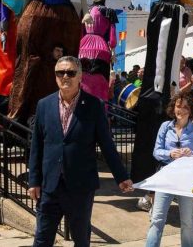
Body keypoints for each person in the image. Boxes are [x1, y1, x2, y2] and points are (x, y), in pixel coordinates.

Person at [28, 56, 134, 247]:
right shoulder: (44, 105)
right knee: (42, 238)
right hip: (50, 186)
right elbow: (37, 146)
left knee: (81, 238)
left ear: (80, 77)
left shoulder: (94, 105)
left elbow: (107, 144)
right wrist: (34, 181)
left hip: (80, 187)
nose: (65, 76)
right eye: (60, 72)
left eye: (71, 72)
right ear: (55, 76)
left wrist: (121, 176)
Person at [3, 0, 90, 122]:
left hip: (60, 14)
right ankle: (23, 115)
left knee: (60, 64)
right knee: (31, 61)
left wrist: (87, 11)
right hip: (46, 10)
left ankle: (57, 116)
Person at [146, 92, 193, 247]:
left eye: (186, 107)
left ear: (191, 110)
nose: (181, 110)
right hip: (166, 176)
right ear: (173, 108)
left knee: (187, 221)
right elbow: (156, 152)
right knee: (157, 219)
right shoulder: (165, 127)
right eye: (178, 106)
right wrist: (170, 154)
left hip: (186, 179)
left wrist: (191, 154)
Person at [78, 0, 118, 102]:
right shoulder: (85, 11)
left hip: (94, 47)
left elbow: (112, 35)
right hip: (89, 46)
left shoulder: (107, 11)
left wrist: (113, 50)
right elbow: (81, 31)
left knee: (93, 80)